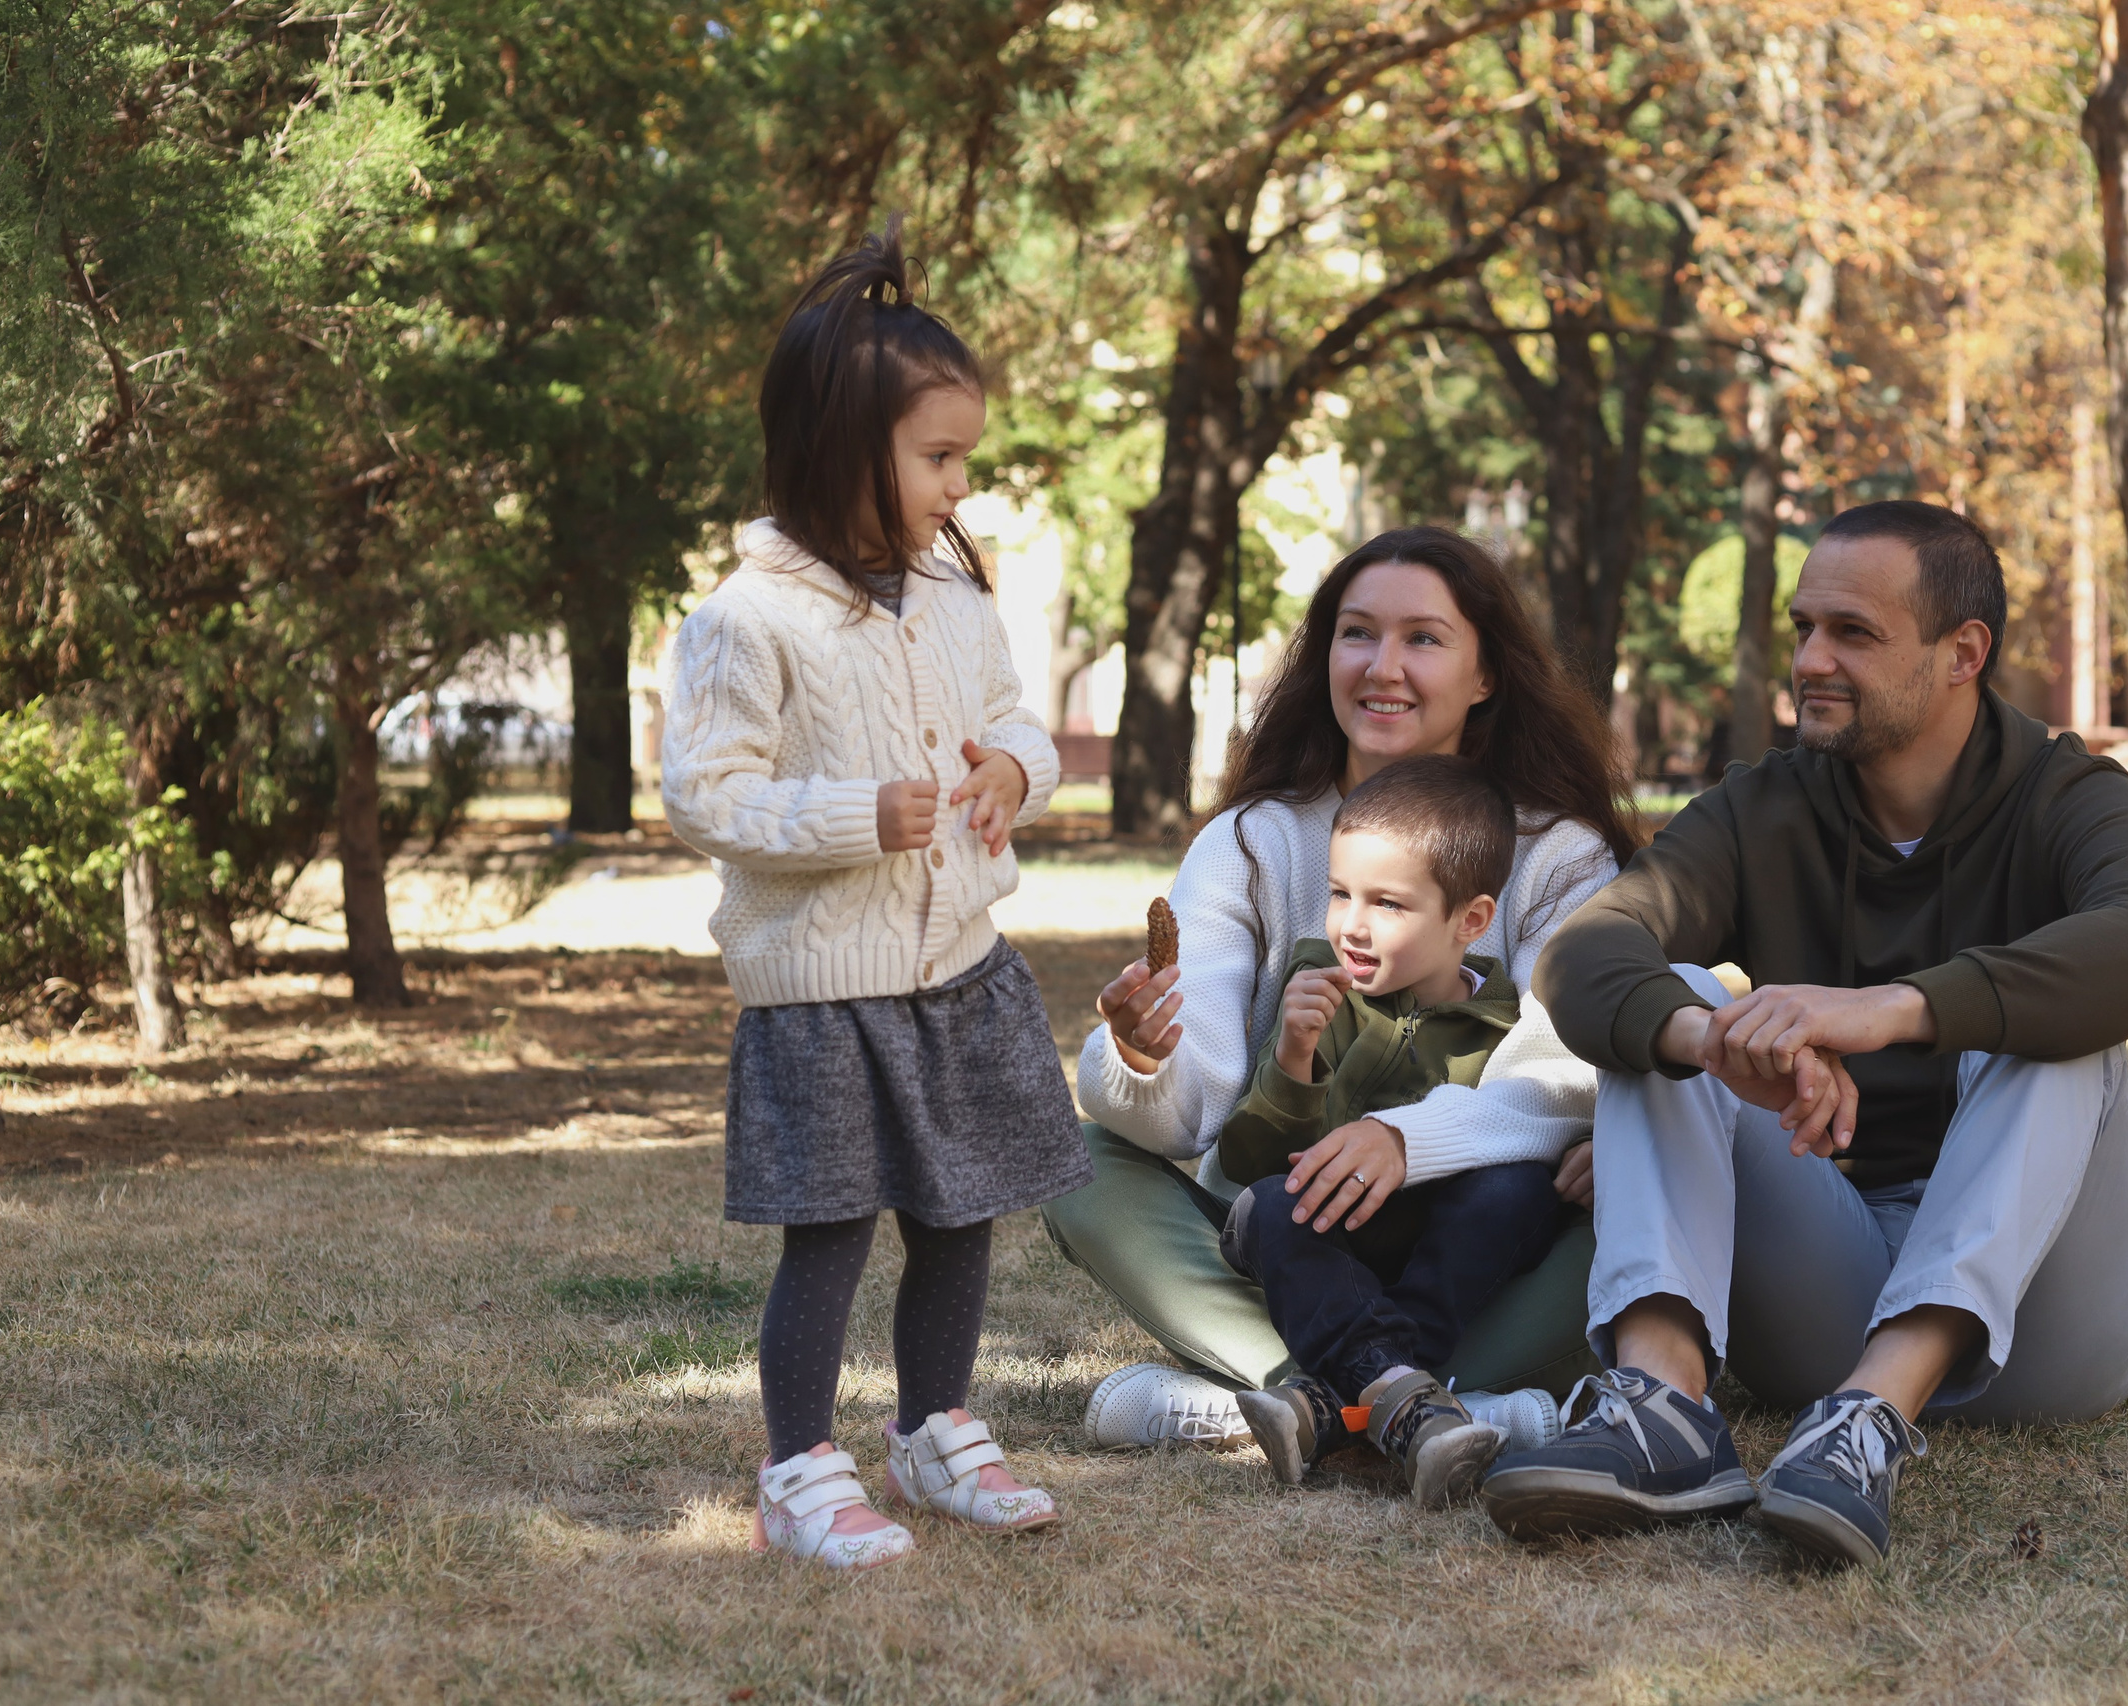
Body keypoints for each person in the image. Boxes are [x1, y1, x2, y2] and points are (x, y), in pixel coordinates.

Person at [1480, 500, 2128, 1568]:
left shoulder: (2067, 792)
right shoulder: (1759, 806)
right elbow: (1581, 954)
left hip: (2050, 1323)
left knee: (2060, 1023)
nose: (1810, 657)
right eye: (1804, 625)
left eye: (1852, 633)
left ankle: (1874, 1417)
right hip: (1833, 1282)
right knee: (1667, 994)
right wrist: (1707, 1040)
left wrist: (1894, 1006)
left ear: (1963, 654)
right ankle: (1663, 1408)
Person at [659, 224, 1089, 1570]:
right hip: (823, 989)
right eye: (940, 459)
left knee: (962, 1212)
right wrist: (859, 816)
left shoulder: (958, 589)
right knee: (832, 1229)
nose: (962, 486)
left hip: (956, 964)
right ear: (847, 449)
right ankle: (798, 1465)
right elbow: (705, 793)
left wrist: (1016, 767)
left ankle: (933, 1425)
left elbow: (1021, 717)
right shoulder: (750, 617)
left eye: (965, 457)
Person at [1050, 527, 1639, 1451]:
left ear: (1487, 675)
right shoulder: (1253, 841)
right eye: (1358, 634)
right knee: (1073, 1157)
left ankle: (1288, 1408)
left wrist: (1406, 1140)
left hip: (1475, 1239)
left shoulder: (1559, 853)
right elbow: (1188, 1114)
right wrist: (1143, 1054)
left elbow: (1564, 1074)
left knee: (1627, 1187)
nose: (1382, 667)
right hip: (1289, 1230)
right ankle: (1432, 1408)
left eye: (1424, 639)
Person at [1217, 756, 1568, 1507]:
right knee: (1276, 1203)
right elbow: (1247, 1162)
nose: (1352, 925)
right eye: (1340, 894)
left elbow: (1526, 1133)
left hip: (1424, 1246)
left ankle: (1334, 1407)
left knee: (1517, 1187)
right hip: (1319, 1234)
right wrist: (1292, 1058)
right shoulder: (1318, 986)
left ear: (1469, 921)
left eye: (1389, 905)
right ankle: (1414, 1406)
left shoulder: (1503, 1028)